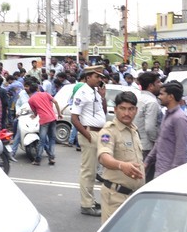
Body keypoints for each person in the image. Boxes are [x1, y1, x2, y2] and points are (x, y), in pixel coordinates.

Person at [97, 91, 145, 223]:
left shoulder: (133, 130)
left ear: (136, 110)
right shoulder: (109, 131)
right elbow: (103, 156)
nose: (127, 113)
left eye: (130, 109)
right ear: (115, 109)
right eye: (122, 109)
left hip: (133, 196)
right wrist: (121, 165)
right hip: (116, 197)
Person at [70, 66, 107, 216]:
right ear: (88, 77)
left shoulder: (96, 92)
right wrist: (88, 135)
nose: (100, 79)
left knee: (94, 171)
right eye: (97, 77)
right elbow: (74, 118)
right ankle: (86, 204)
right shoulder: (82, 92)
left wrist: (103, 96)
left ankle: (90, 199)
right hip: (89, 133)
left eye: (100, 77)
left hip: (98, 133)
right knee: (88, 171)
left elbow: (102, 112)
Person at [144, 82, 187, 179]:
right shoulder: (167, 115)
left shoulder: (179, 118)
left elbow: (181, 150)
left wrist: (173, 174)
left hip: (169, 173)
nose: (159, 97)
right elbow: (160, 141)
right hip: (161, 168)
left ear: (170, 97)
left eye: (162, 94)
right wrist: (148, 161)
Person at [133, 71, 163, 176]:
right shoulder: (151, 102)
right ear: (151, 86)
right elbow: (150, 127)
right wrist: (157, 141)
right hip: (147, 146)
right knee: (145, 177)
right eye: (158, 82)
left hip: (137, 143)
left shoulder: (138, 98)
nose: (161, 85)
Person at [27, 80, 62, 166]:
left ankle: (38, 160)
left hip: (44, 120)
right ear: (37, 88)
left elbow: (35, 112)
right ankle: (51, 157)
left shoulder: (31, 100)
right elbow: (56, 102)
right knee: (52, 139)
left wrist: (34, 115)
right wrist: (59, 113)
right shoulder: (46, 94)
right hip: (53, 118)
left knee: (42, 140)